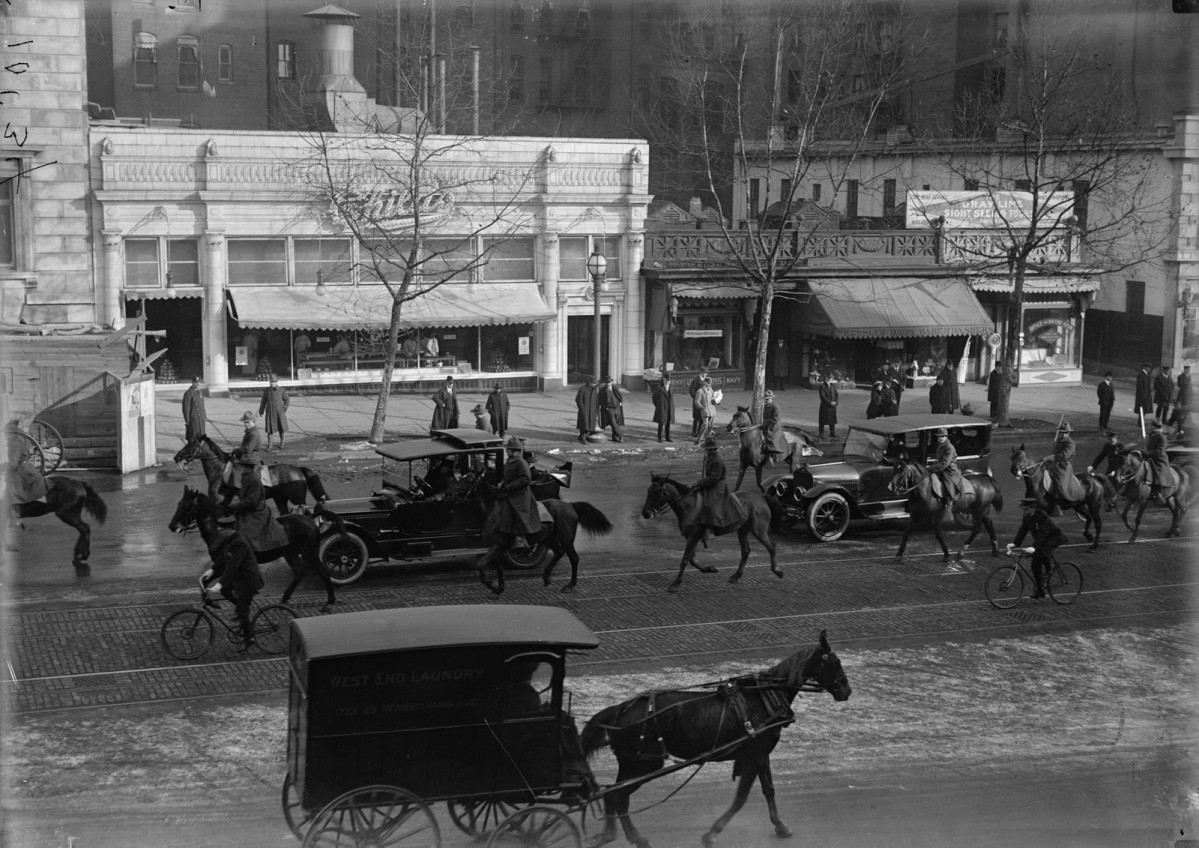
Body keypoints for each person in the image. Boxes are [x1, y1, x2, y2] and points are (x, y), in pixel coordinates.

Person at [202, 513, 265, 651]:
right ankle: (240, 607)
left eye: (222, 530)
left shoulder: (240, 542)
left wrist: (219, 584)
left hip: (248, 580)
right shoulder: (229, 539)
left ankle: (249, 639)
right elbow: (221, 556)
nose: (220, 532)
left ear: (230, 529)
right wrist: (212, 570)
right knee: (226, 591)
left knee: (242, 611)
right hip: (240, 578)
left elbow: (232, 566)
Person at [1010, 498, 1067, 600]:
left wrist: (1034, 547)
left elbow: (1043, 533)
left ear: (1033, 508)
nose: (1024, 511)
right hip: (1042, 540)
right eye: (1023, 509)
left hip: (1054, 537)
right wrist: (1015, 543)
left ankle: (1049, 570)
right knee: (1035, 565)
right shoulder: (1027, 516)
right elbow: (1023, 530)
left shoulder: (1042, 515)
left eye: (1026, 509)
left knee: (1042, 552)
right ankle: (1040, 590)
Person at [231, 455, 289, 552]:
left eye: (243, 466)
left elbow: (252, 501)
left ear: (248, 468)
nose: (240, 468)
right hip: (247, 509)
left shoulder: (254, 480)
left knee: (245, 533)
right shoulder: (245, 478)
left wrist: (236, 506)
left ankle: (254, 552)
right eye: (241, 466)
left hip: (256, 512)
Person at [692, 434, 746, 536]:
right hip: (709, 482)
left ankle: (711, 528)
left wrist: (700, 482)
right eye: (706, 449)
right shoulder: (708, 458)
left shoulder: (717, 461)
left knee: (710, 504)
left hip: (717, 486)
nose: (707, 451)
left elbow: (714, 478)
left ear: (713, 450)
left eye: (709, 449)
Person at [495, 435, 541, 551]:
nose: (507, 451)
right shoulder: (510, 461)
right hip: (510, 491)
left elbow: (525, 479)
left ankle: (521, 539)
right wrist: (502, 483)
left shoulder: (521, 463)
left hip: (519, 495)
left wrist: (508, 487)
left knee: (515, 513)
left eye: (508, 449)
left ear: (515, 450)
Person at [1041, 421, 1084, 511]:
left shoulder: (1070, 443)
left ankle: (1060, 502)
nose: (1059, 433)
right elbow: (1055, 453)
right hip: (1054, 463)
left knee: (1059, 481)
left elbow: (1063, 456)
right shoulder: (1059, 441)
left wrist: (1049, 457)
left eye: (1061, 432)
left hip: (1063, 466)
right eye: (1059, 432)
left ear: (1066, 433)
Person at [927, 426, 962, 508]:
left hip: (949, 470)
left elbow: (944, 464)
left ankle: (950, 500)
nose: (940, 438)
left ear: (946, 437)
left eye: (942, 436)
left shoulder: (949, 447)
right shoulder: (940, 445)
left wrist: (930, 469)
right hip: (941, 468)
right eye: (939, 436)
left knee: (947, 481)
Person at [1144, 419, 1173, 503]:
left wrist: (1148, 453)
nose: (1149, 427)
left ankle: (1158, 492)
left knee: (1158, 474)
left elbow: (1160, 451)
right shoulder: (1149, 436)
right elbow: (1147, 446)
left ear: (1154, 427)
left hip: (1159, 460)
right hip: (1149, 457)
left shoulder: (1162, 437)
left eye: (1150, 425)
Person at [257, 376, 290, 451]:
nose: (272, 383)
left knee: (281, 428)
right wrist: (261, 411)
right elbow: (263, 401)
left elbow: (287, 399)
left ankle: (282, 442)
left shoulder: (281, 390)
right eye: (271, 382)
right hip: (270, 413)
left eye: (273, 382)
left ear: (276, 382)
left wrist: (284, 408)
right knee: (269, 429)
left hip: (279, 413)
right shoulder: (267, 391)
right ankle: (269, 445)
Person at [760, 390, 788, 463]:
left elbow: (776, 420)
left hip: (774, 427)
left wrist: (769, 427)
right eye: (765, 400)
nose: (766, 401)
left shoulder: (776, 407)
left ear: (771, 399)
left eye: (767, 399)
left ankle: (774, 454)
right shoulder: (765, 407)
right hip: (765, 426)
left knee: (770, 437)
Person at [651, 371, 675, 442]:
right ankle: (660, 437)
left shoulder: (671, 388)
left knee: (668, 423)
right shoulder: (659, 388)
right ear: (663, 379)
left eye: (669, 380)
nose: (668, 381)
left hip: (669, 408)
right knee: (661, 423)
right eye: (667, 379)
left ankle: (668, 437)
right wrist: (658, 405)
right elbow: (654, 397)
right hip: (661, 408)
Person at [599, 375, 625, 442]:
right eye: (607, 382)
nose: (609, 384)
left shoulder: (615, 388)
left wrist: (621, 402)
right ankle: (620, 435)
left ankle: (615, 437)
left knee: (617, 422)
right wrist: (605, 407)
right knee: (613, 422)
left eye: (610, 382)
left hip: (617, 407)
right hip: (609, 408)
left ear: (611, 382)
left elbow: (619, 395)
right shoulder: (602, 390)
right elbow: (601, 400)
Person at [575, 376, 599, 444]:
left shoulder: (594, 390)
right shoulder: (583, 389)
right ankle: (583, 438)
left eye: (595, 383)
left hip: (592, 411)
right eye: (593, 383)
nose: (594, 385)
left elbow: (596, 400)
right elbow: (578, 400)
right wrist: (582, 408)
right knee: (584, 425)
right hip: (585, 410)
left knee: (590, 425)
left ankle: (582, 437)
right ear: (590, 382)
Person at [182, 376, 206, 442]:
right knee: (193, 437)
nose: (197, 384)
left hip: (201, 418)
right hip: (194, 419)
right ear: (192, 383)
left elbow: (202, 405)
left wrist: (204, 415)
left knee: (201, 436)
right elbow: (186, 408)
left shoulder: (199, 392)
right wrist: (187, 420)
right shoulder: (188, 393)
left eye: (198, 382)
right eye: (195, 382)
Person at [693, 376, 716, 444]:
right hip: (705, 411)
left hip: (712, 410)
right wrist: (701, 407)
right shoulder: (700, 391)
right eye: (708, 383)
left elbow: (713, 399)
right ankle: (699, 438)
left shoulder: (711, 390)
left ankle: (708, 438)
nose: (709, 384)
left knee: (711, 425)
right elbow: (696, 401)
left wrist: (717, 400)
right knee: (705, 425)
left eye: (710, 383)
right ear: (705, 382)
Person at [688, 367, 709, 438]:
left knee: (702, 417)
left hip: (704, 402)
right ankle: (694, 432)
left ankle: (700, 431)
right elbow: (691, 390)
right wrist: (696, 397)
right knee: (696, 417)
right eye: (705, 373)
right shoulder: (696, 379)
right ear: (702, 372)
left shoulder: (706, 380)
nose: (706, 374)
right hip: (697, 402)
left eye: (706, 373)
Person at [1171, 364, 1191, 437]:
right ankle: (1174, 431)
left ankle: (1179, 431)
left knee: (1183, 415)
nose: (1188, 371)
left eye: (1189, 370)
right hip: (1182, 397)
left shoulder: (1189, 376)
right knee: (1177, 415)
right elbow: (1180, 385)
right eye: (1187, 370)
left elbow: (1190, 388)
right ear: (1184, 369)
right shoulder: (1180, 377)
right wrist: (1186, 384)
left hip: (1187, 398)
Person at [817, 373, 838, 440]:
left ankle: (832, 432)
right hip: (825, 406)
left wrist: (836, 402)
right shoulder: (822, 386)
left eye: (830, 377)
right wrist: (830, 402)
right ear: (825, 378)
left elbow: (837, 394)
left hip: (833, 406)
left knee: (832, 420)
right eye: (828, 377)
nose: (829, 378)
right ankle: (821, 433)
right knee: (823, 420)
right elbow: (822, 396)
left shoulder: (833, 385)